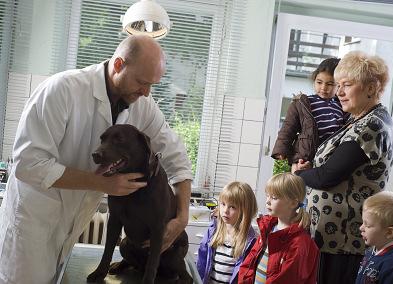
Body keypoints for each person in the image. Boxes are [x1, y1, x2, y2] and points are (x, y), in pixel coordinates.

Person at [0, 35, 193, 284]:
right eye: (142, 82)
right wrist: (101, 183)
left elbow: (176, 157)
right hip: (32, 223)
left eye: (152, 85)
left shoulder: (143, 104)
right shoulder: (61, 90)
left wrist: (182, 217)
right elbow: (28, 164)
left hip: (69, 227)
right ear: (119, 64)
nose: (146, 93)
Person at [294, 51, 393, 284]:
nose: (338, 92)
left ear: (371, 88)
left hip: (343, 240)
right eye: (338, 85)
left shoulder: (371, 125)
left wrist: (299, 175)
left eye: (346, 85)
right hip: (332, 238)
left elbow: (328, 176)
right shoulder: (360, 119)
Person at [238, 173, 319, 284]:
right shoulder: (268, 228)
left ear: (293, 203)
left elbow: (288, 279)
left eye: (274, 197)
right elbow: (249, 263)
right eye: (267, 196)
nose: (267, 201)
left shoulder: (299, 243)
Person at [272, 57, 346, 168]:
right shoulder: (303, 103)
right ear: (314, 80)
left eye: (330, 84)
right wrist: (281, 150)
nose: (323, 88)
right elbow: (288, 128)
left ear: (339, 85)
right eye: (319, 82)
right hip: (306, 156)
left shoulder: (342, 105)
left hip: (331, 157)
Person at [196, 181, 258, 284]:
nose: (225, 210)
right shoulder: (213, 231)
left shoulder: (250, 241)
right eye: (223, 204)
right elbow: (201, 263)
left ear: (245, 211)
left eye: (232, 207)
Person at [356, 191, 393, 284]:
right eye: (362, 223)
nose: (361, 228)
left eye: (368, 225)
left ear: (389, 232)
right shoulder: (373, 251)